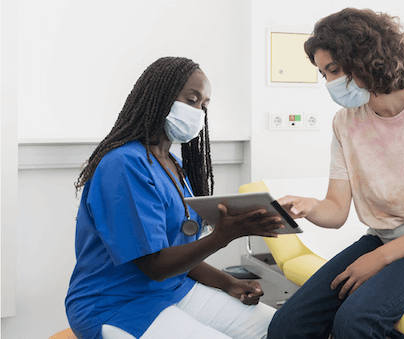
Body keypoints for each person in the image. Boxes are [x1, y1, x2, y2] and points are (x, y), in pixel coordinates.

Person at [267, 8, 404, 339]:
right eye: (323, 73)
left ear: (366, 58)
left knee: (357, 319)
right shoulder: (346, 122)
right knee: (288, 324)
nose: (329, 82)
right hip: (385, 237)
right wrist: (308, 206)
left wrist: (379, 259)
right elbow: (336, 211)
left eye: (334, 70)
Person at [66, 57, 282, 339]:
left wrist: (227, 282)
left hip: (173, 288)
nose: (198, 112)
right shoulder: (123, 164)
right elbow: (154, 265)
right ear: (160, 97)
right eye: (191, 100)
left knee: (282, 326)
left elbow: (177, 254)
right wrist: (222, 236)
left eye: (204, 105)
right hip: (116, 303)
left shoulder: (172, 164)